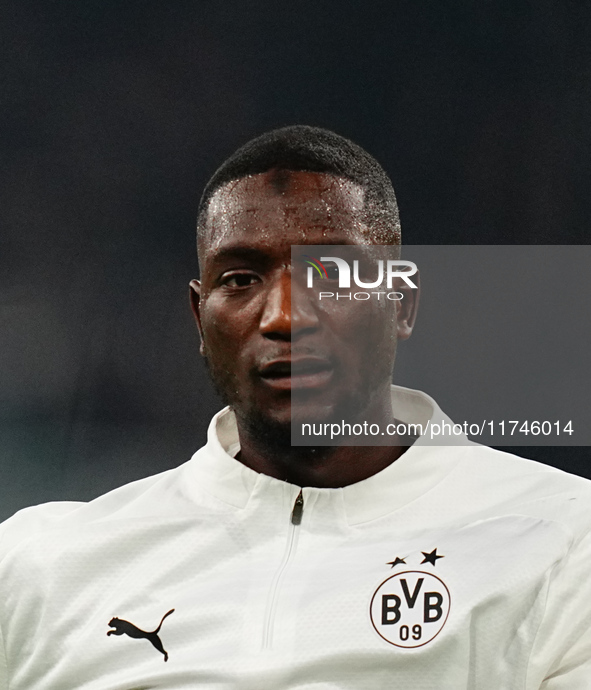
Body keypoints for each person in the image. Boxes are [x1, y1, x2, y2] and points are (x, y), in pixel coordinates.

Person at [0, 126, 590, 689]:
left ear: (401, 306)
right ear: (199, 319)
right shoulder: (38, 568)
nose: (285, 315)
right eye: (240, 279)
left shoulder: (562, 539)